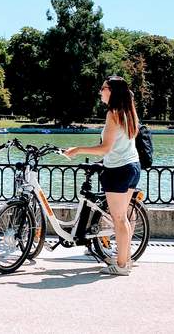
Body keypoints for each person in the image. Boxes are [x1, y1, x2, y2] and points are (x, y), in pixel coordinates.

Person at [64, 76, 141, 276]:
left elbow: (105, 148)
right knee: (122, 218)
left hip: (118, 170)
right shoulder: (128, 111)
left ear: (112, 91)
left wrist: (78, 149)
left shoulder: (113, 114)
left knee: (119, 218)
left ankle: (122, 266)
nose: (100, 92)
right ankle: (126, 260)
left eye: (103, 88)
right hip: (133, 166)